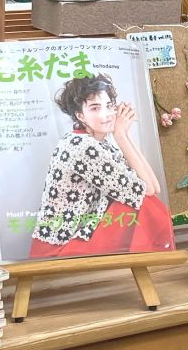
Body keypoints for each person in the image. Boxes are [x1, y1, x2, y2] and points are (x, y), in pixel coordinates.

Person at [30, 73, 173, 258]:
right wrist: (120, 135)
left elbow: (154, 187)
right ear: (80, 115)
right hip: (58, 249)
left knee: (142, 199)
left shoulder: (100, 143)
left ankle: (156, 257)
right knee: (141, 201)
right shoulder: (82, 146)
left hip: (80, 237)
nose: (106, 114)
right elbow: (147, 191)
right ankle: (158, 257)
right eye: (95, 108)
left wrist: (125, 135)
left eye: (109, 106)